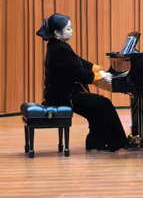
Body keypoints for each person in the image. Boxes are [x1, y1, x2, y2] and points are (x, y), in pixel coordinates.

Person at [39, 14, 128, 152]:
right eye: (68, 29)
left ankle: (96, 141)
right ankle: (119, 143)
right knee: (103, 103)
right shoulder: (60, 49)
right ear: (57, 33)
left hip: (59, 94)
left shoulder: (57, 46)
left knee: (97, 107)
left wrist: (99, 70)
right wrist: (101, 76)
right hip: (64, 96)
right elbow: (78, 73)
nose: (72, 31)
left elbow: (78, 61)